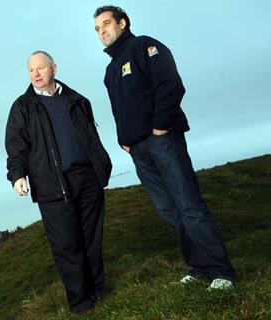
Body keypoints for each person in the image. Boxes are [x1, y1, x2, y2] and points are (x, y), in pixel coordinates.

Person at [93, 5, 237, 289]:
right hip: (138, 151)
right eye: (97, 29)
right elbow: (118, 108)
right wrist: (125, 140)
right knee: (169, 210)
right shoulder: (110, 70)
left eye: (106, 23)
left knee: (189, 205)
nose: (102, 31)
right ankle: (200, 268)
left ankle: (223, 272)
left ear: (122, 23)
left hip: (162, 140)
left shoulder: (144, 45)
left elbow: (170, 83)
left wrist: (159, 126)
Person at [5, 51, 112, 313]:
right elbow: (16, 146)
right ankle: (81, 302)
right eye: (31, 70)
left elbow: (91, 136)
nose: (36, 74)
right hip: (51, 185)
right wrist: (17, 175)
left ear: (53, 68)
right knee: (67, 246)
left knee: (91, 240)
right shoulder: (22, 107)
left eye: (41, 68)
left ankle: (99, 289)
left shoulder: (77, 100)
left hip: (87, 179)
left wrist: (101, 165)